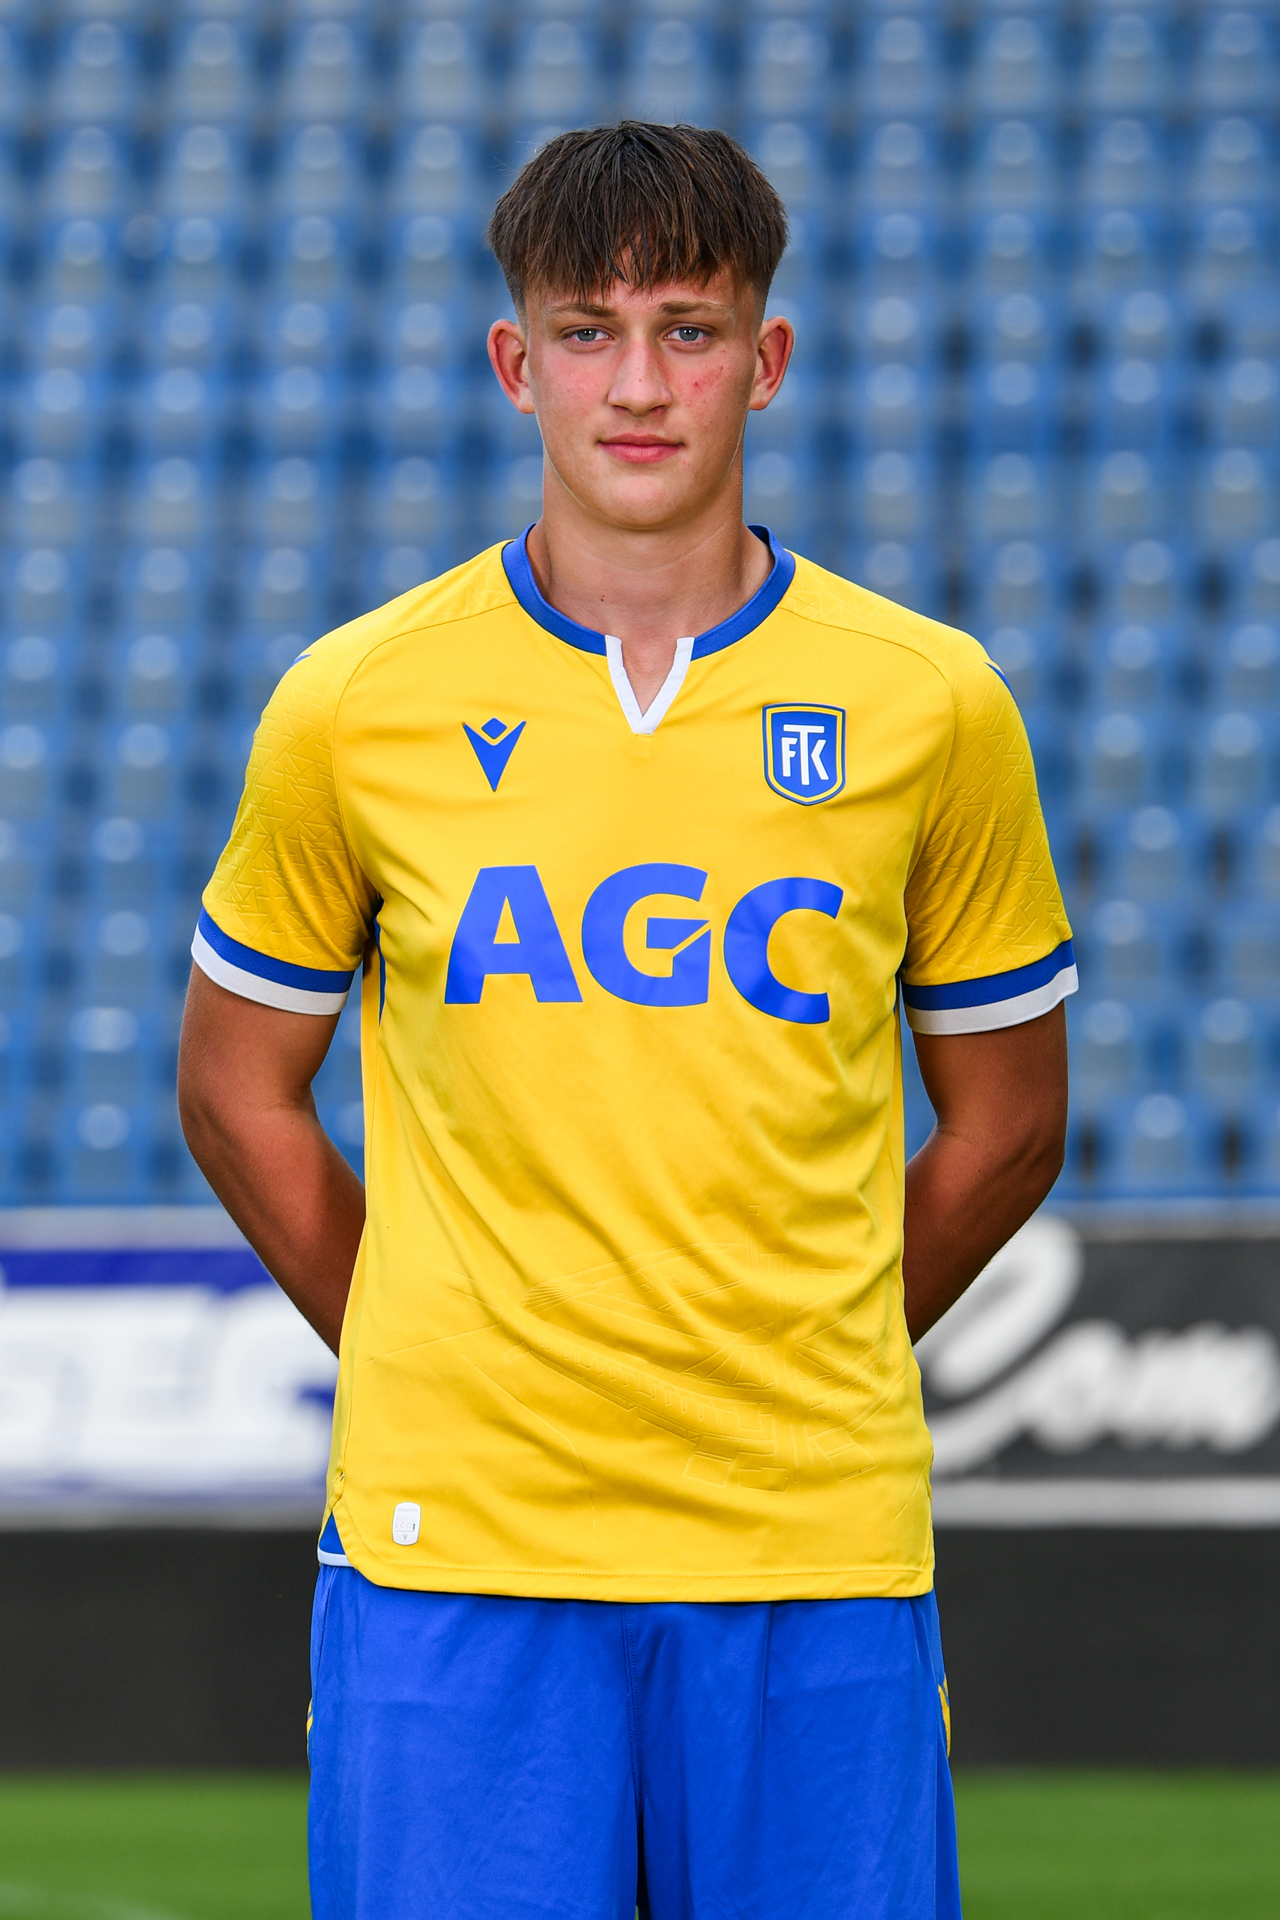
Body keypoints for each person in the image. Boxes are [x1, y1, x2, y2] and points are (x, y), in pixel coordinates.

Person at [178, 123, 1073, 1920]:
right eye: (588, 332)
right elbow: (234, 1087)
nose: (641, 384)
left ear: (770, 356)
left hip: (810, 1537)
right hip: (457, 1541)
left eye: (690, 328)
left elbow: (1010, 1123)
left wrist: (808, 1337)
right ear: (517, 364)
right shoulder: (357, 701)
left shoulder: (932, 703)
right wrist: (429, 1339)